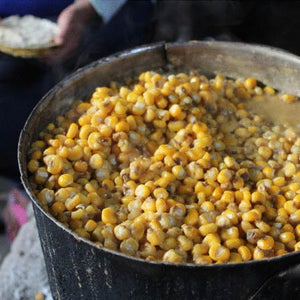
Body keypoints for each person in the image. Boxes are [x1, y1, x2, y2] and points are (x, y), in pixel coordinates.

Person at [0, 0, 153, 179]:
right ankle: (23, 185)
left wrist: (90, 6)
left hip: (103, 18)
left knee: (97, 89)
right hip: (8, 26)